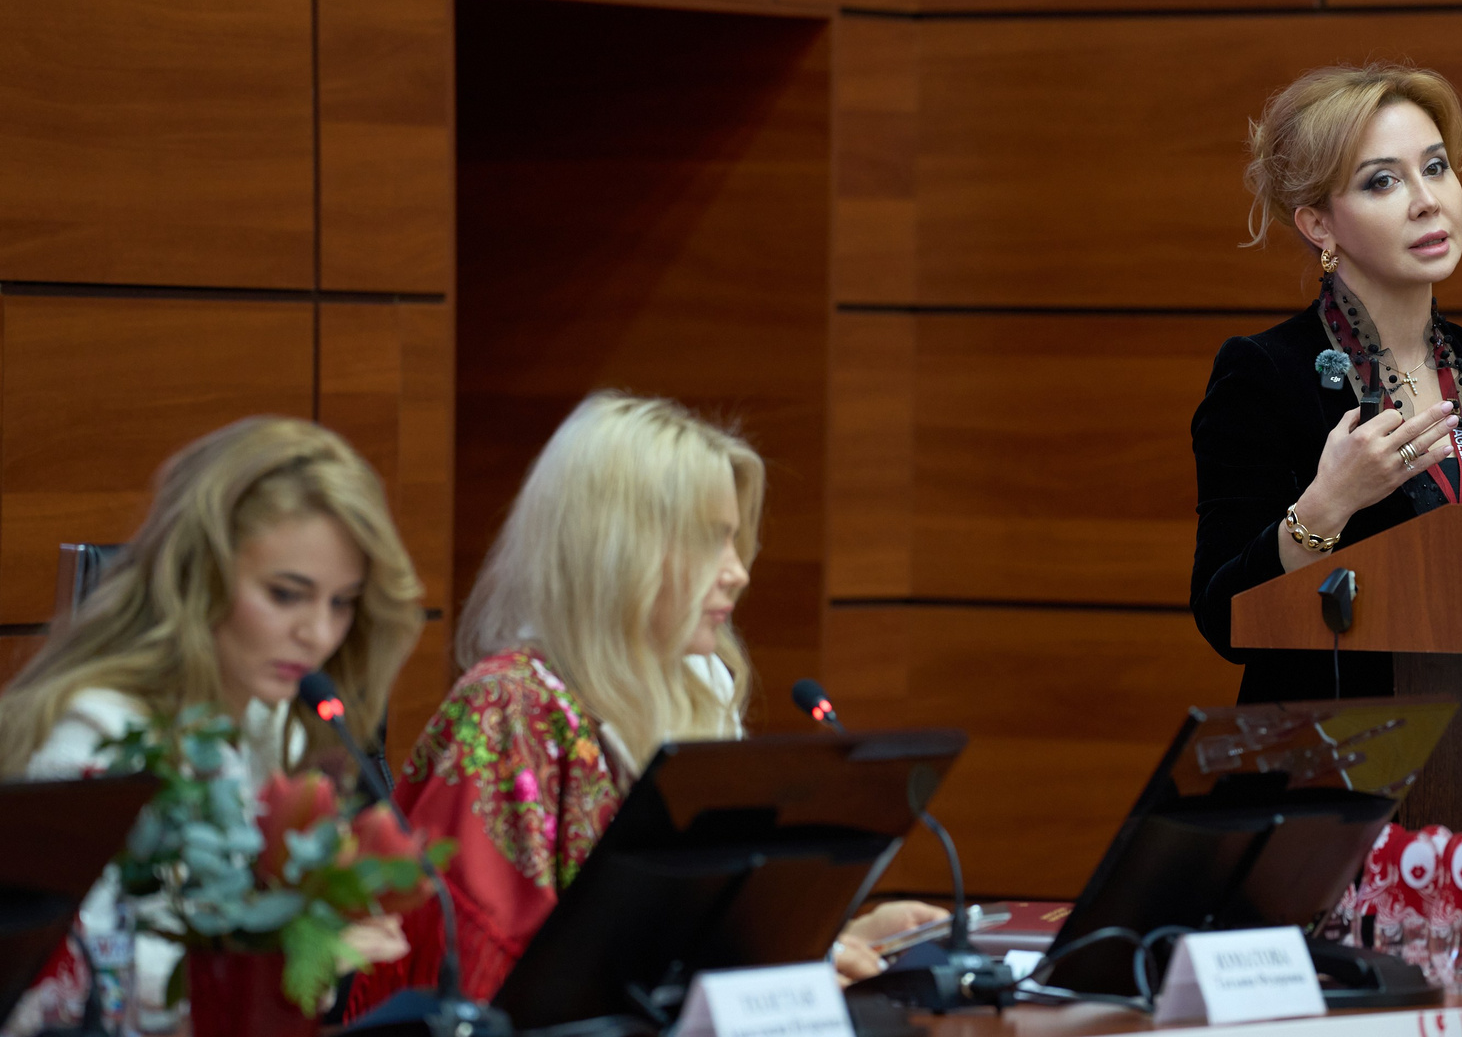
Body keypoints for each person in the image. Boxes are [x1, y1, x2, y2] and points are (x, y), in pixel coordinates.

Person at [349, 394, 938, 1014]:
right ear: (617, 550)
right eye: (710, 542)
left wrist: (834, 942)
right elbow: (488, 982)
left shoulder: (692, 690)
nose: (738, 572)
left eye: (734, 541)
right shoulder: (505, 710)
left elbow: (691, 943)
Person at [0, 417, 424, 1032]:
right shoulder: (99, 732)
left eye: (341, 602)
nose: (318, 634)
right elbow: (74, 998)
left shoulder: (273, 721)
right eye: (286, 594)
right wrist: (291, 960)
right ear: (199, 577)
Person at [1190, 64, 1462, 703]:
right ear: (1319, 225)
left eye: (1435, 167)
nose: (1427, 200)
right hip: (1342, 747)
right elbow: (1223, 618)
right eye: (1383, 181)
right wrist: (1329, 503)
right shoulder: (1264, 372)